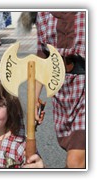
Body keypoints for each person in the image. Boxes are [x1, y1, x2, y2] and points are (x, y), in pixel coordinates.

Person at [35, 12, 86, 168]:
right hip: (60, 87)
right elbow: (42, 56)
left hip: (85, 86)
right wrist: (33, 98)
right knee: (75, 155)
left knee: (75, 160)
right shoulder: (43, 12)